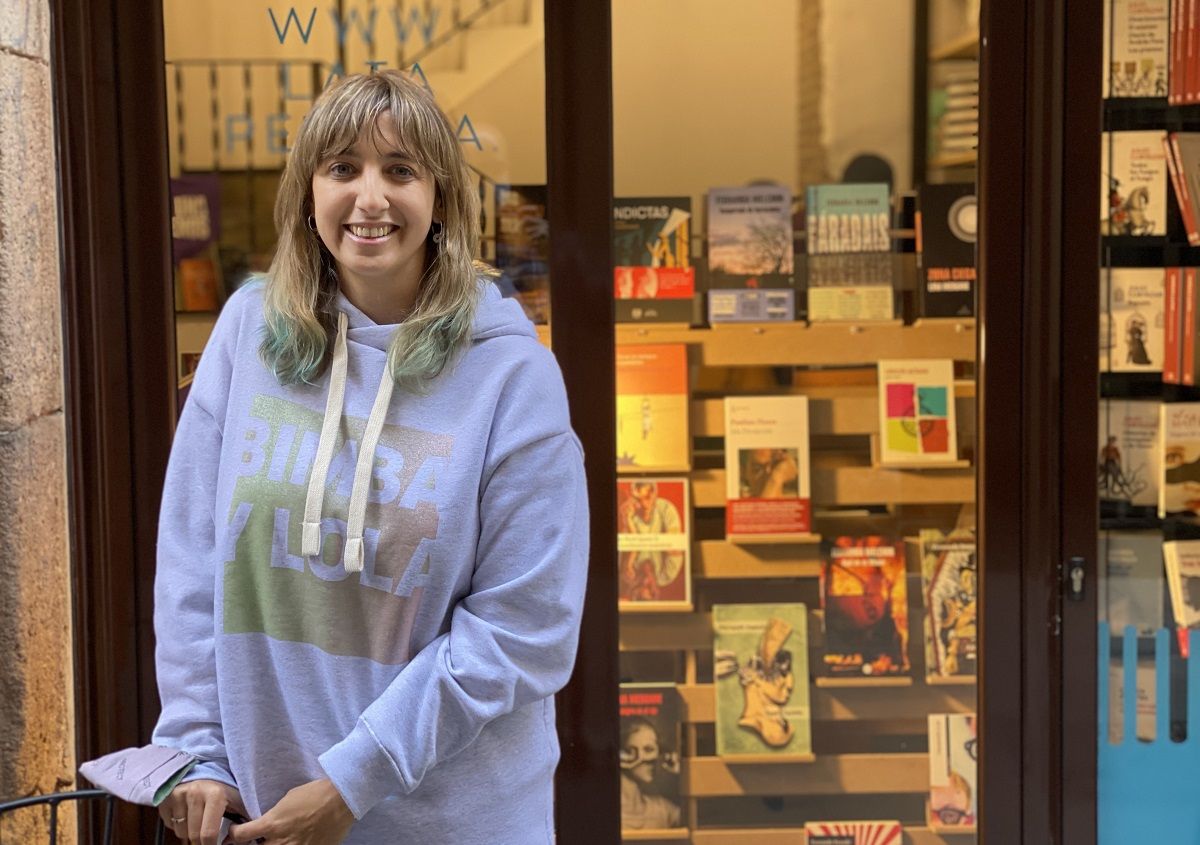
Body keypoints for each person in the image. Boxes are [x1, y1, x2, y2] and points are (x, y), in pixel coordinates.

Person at [151, 69, 589, 845]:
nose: (371, 197)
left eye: (401, 170)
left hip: (459, 824)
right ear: (308, 192)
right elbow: (193, 558)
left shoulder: (513, 377)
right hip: (271, 818)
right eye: (343, 167)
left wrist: (352, 782)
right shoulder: (248, 331)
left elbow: (525, 628)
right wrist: (196, 747)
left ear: (442, 199)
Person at [619, 718, 681, 830]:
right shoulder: (600, 812)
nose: (655, 758)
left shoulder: (663, 811)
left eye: (653, 750)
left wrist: (683, 774)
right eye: (648, 749)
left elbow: (708, 819)